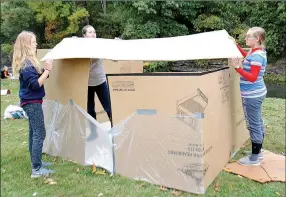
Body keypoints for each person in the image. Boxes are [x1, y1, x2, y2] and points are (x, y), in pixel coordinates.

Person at [12, 30, 55, 178]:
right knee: (39, 133)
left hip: (32, 101)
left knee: (33, 132)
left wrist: (44, 71)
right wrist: (48, 69)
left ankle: (36, 162)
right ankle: (36, 169)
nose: (36, 44)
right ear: (26, 45)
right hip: (31, 103)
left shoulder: (29, 63)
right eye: (33, 42)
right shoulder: (26, 64)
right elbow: (35, 84)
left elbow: (36, 78)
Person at [231, 27, 267, 166]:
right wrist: (237, 46)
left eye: (248, 37)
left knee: (253, 125)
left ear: (257, 39)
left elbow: (252, 77)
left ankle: (254, 159)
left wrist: (237, 68)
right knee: (257, 121)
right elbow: (247, 56)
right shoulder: (255, 51)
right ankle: (259, 152)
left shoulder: (257, 56)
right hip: (257, 92)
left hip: (252, 95)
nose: (245, 39)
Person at [82, 25, 112, 121]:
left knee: (109, 107)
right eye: (90, 32)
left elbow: (111, 55)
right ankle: (94, 132)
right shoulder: (79, 48)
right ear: (84, 36)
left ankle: (115, 129)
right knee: (90, 110)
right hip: (87, 83)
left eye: (94, 32)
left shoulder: (100, 45)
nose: (93, 34)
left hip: (100, 81)